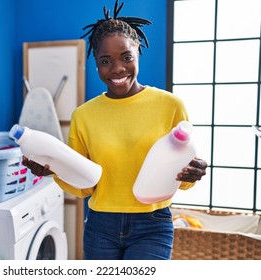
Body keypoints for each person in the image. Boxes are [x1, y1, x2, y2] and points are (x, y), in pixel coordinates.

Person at [22, 0, 207, 260]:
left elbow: (181, 178)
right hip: (101, 226)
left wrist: (192, 173)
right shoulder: (84, 115)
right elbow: (85, 187)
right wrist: (52, 171)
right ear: (96, 63)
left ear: (138, 53)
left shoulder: (170, 106)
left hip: (152, 224)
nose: (117, 69)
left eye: (126, 57)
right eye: (105, 60)